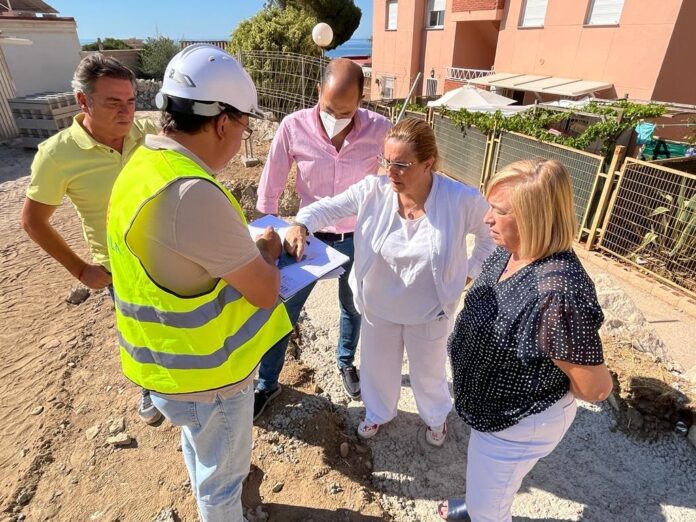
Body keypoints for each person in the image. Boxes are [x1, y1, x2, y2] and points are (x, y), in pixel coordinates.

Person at [106, 44, 292, 521]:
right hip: (211, 377)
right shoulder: (191, 192)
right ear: (223, 122)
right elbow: (265, 290)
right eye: (245, 125)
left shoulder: (144, 167)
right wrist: (267, 250)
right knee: (222, 486)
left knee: (202, 454)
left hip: (167, 370)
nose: (242, 135)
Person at [284, 119, 495, 446]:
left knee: (429, 374)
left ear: (429, 163)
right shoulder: (373, 191)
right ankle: (378, 413)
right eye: (386, 161)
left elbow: (489, 237)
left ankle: (436, 418)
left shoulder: (460, 199)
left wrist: (468, 273)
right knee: (377, 368)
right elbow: (328, 208)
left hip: (429, 310)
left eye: (401, 164)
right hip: (379, 307)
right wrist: (301, 224)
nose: (391, 171)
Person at [439, 159, 613, 521]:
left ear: (534, 218)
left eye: (500, 211)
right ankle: (477, 500)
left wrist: (529, 387)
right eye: (490, 205)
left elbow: (595, 388)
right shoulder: (509, 249)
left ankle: (482, 509)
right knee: (487, 483)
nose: (487, 219)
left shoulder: (555, 294)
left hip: (515, 422)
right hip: (492, 408)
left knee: (491, 507)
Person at [20, 54, 162, 425]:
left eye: (130, 101)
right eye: (113, 103)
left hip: (168, 257)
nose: (126, 112)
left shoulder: (147, 137)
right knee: (138, 331)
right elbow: (33, 222)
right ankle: (149, 388)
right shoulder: (57, 155)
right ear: (84, 102)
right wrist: (80, 269)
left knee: (178, 324)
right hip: (121, 269)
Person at [253, 57, 392, 417]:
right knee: (283, 310)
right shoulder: (293, 126)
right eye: (330, 108)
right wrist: (271, 234)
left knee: (353, 306)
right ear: (318, 91)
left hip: (357, 237)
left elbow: (396, 180)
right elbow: (270, 186)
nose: (337, 119)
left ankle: (346, 361)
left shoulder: (381, 129)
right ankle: (266, 383)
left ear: (363, 99)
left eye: (347, 111)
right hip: (306, 238)